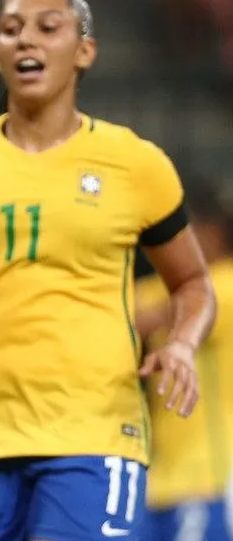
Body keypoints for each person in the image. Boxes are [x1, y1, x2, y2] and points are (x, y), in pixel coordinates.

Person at [0, 0, 216, 541]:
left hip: (95, 434)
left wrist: (181, 341)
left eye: (46, 27)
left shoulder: (134, 163)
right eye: (10, 30)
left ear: (84, 50)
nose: (23, 40)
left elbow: (193, 284)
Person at [137, 178, 233, 541]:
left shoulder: (222, 286)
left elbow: (134, 317)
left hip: (210, 480)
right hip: (164, 483)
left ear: (211, 232)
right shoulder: (167, 290)